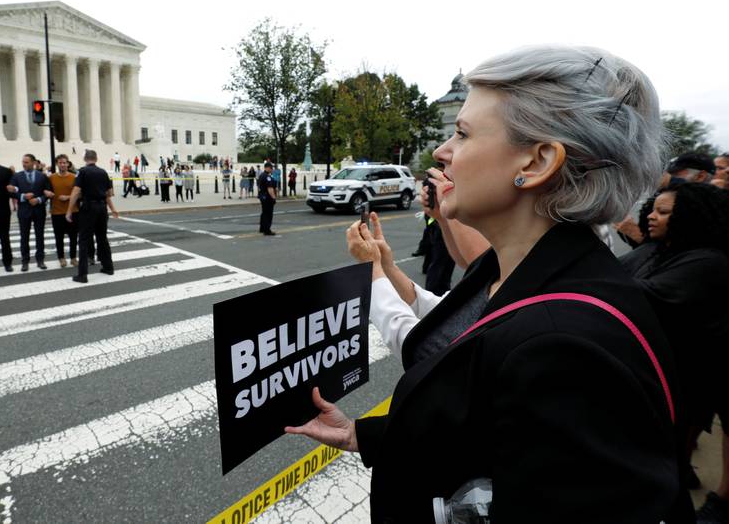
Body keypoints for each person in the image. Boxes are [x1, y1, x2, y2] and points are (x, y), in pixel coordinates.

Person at [285, 46, 691, 522]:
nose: (442, 152)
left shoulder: (563, 343)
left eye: (462, 133)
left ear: (536, 163)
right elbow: (480, 420)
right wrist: (361, 435)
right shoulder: (516, 270)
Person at [619, 183, 729, 497]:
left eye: (663, 212)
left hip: (683, 379)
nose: (651, 217)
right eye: (652, 209)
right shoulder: (656, 247)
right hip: (651, 374)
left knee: (661, 458)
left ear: (689, 217)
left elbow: (640, 294)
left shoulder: (709, 262)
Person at [66, 150, 117, 284]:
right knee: (102, 238)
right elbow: (109, 193)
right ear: (96, 158)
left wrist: (69, 210)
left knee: (84, 240)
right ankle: (108, 267)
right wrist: (112, 208)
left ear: (85, 158)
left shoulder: (82, 172)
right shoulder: (103, 172)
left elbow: (76, 191)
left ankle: (82, 274)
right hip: (102, 207)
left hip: (89, 207)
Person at [8, 154, 51, 271]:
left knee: (40, 236)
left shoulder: (42, 176)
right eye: (23, 162)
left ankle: (40, 260)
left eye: (26, 162)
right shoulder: (17, 176)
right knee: (24, 237)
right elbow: (11, 192)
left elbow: (48, 192)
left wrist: (39, 200)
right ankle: (25, 261)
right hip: (24, 211)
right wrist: (22, 196)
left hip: (39, 210)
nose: (24, 164)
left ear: (33, 163)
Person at [48, 155, 79, 268]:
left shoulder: (74, 177)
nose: (62, 165)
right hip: (56, 212)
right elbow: (47, 191)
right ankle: (61, 258)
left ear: (68, 164)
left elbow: (80, 193)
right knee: (58, 237)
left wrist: (68, 197)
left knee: (73, 236)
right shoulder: (51, 177)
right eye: (60, 163)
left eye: (64, 163)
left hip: (72, 211)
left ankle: (73, 257)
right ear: (57, 164)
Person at [256, 161, 277, 236]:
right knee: (268, 214)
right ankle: (267, 230)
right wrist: (274, 198)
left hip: (262, 196)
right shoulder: (267, 176)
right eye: (271, 168)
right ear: (267, 168)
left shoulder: (262, 175)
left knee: (264, 213)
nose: (272, 169)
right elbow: (270, 188)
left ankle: (262, 228)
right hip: (267, 197)